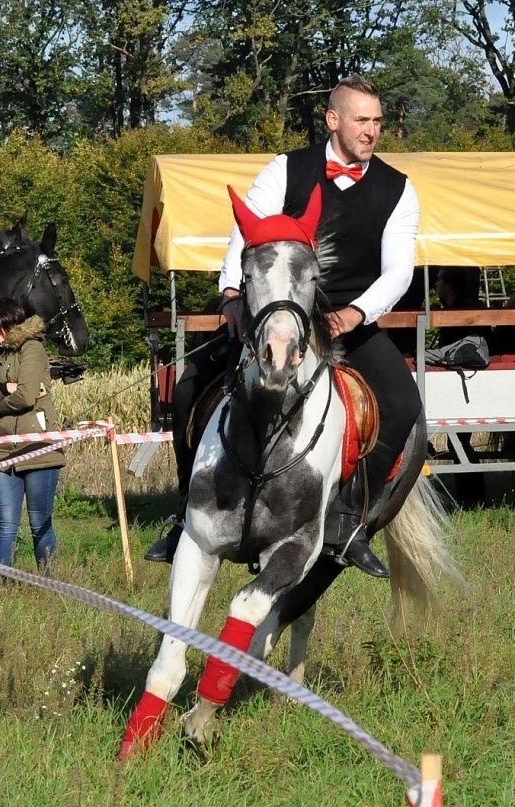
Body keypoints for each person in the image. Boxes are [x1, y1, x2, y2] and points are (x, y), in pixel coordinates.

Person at [148, 75, 419, 578]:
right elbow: (244, 235)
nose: (372, 131)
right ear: (332, 120)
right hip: (271, 316)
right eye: (362, 119)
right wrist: (231, 295)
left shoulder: (399, 189)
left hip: (347, 321)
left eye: (378, 121)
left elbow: (399, 271)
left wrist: (354, 314)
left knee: (404, 405)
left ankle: (348, 521)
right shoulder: (284, 169)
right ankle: (184, 514)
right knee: (188, 388)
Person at [0, 297, 64, 576]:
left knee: (39, 522)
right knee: (5, 522)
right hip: (2, 450)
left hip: (38, 448)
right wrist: (3, 387)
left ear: (2, 322)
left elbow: (25, 396)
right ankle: (1, 586)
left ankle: (49, 582)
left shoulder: (32, 349)